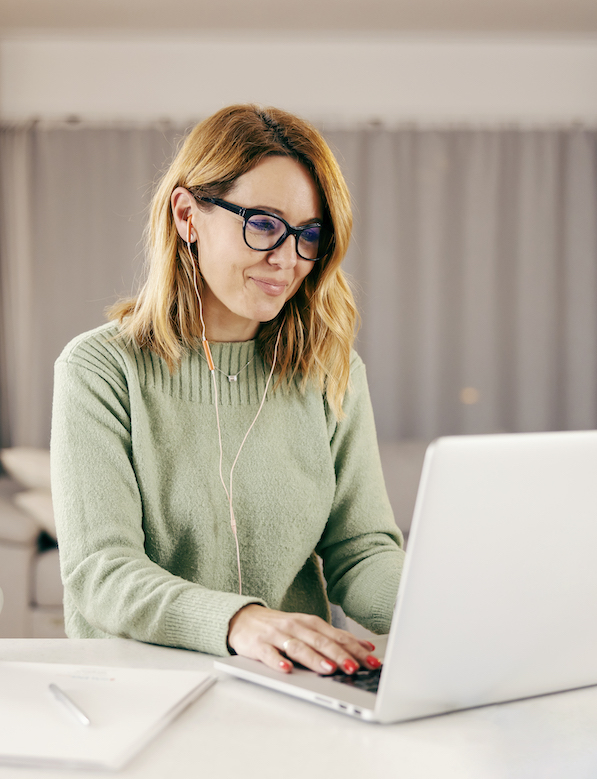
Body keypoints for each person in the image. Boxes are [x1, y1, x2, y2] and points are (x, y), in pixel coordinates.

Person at [50, 104, 403, 676]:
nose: (288, 258)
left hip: (296, 686)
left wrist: (449, 604)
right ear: (187, 215)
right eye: (263, 223)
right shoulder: (100, 369)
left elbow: (360, 552)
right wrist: (241, 622)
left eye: (308, 234)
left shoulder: (329, 371)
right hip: (139, 690)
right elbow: (102, 571)